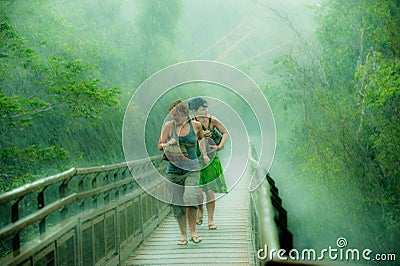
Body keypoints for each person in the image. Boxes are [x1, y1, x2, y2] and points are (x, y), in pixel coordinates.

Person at [158, 99, 210, 245]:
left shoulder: (196, 126)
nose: (174, 117)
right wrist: (168, 143)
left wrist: (203, 153)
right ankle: (183, 234)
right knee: (177, 202)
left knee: (190, 197)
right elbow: (159, 145)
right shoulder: (169, 127)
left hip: (192, 169)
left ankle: (193, 232)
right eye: (172, 115)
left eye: (177, 114)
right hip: (173, 171)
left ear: (184, 113)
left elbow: (200, 138)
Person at [189, 97, 228, 230]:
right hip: (197, 159)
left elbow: (225, 132)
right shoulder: (191, 123)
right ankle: (200, 211)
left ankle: (210, 220)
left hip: (211, 160)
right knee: (199, 191)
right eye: (202, 108)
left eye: (206, 108)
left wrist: (219, 146)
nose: (205, 111)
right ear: (194, 111)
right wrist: (199, 136)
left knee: (210, 191)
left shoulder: (212, 120)